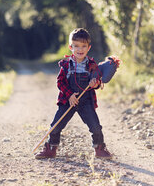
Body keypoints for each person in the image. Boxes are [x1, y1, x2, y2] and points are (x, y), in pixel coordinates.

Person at [35, 28, 112, 159]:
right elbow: (60, 82)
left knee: (95, 126)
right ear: (71, 47)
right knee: (56, 125)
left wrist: (96, 83)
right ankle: (51, 147)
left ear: (88, 48)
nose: (80, 49)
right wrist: (70, 95)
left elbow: (98, 82)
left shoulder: (92, 65)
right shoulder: (66, 64)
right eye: (76, 46)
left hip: (86, 101)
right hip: (68, 100)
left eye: (83, 46)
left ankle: (99, 148)